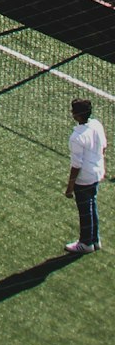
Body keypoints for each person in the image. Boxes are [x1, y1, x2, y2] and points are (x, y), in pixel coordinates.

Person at [66, 95, 106, 253]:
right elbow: (103, 147)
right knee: (92, 205)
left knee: (85, 210)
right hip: (97, 172)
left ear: (78, 115)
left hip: (84, 178)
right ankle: (94, 239)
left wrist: (69, 187)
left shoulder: (76, 137)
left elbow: (76, 165)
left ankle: (85, 243)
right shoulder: (97, 125)